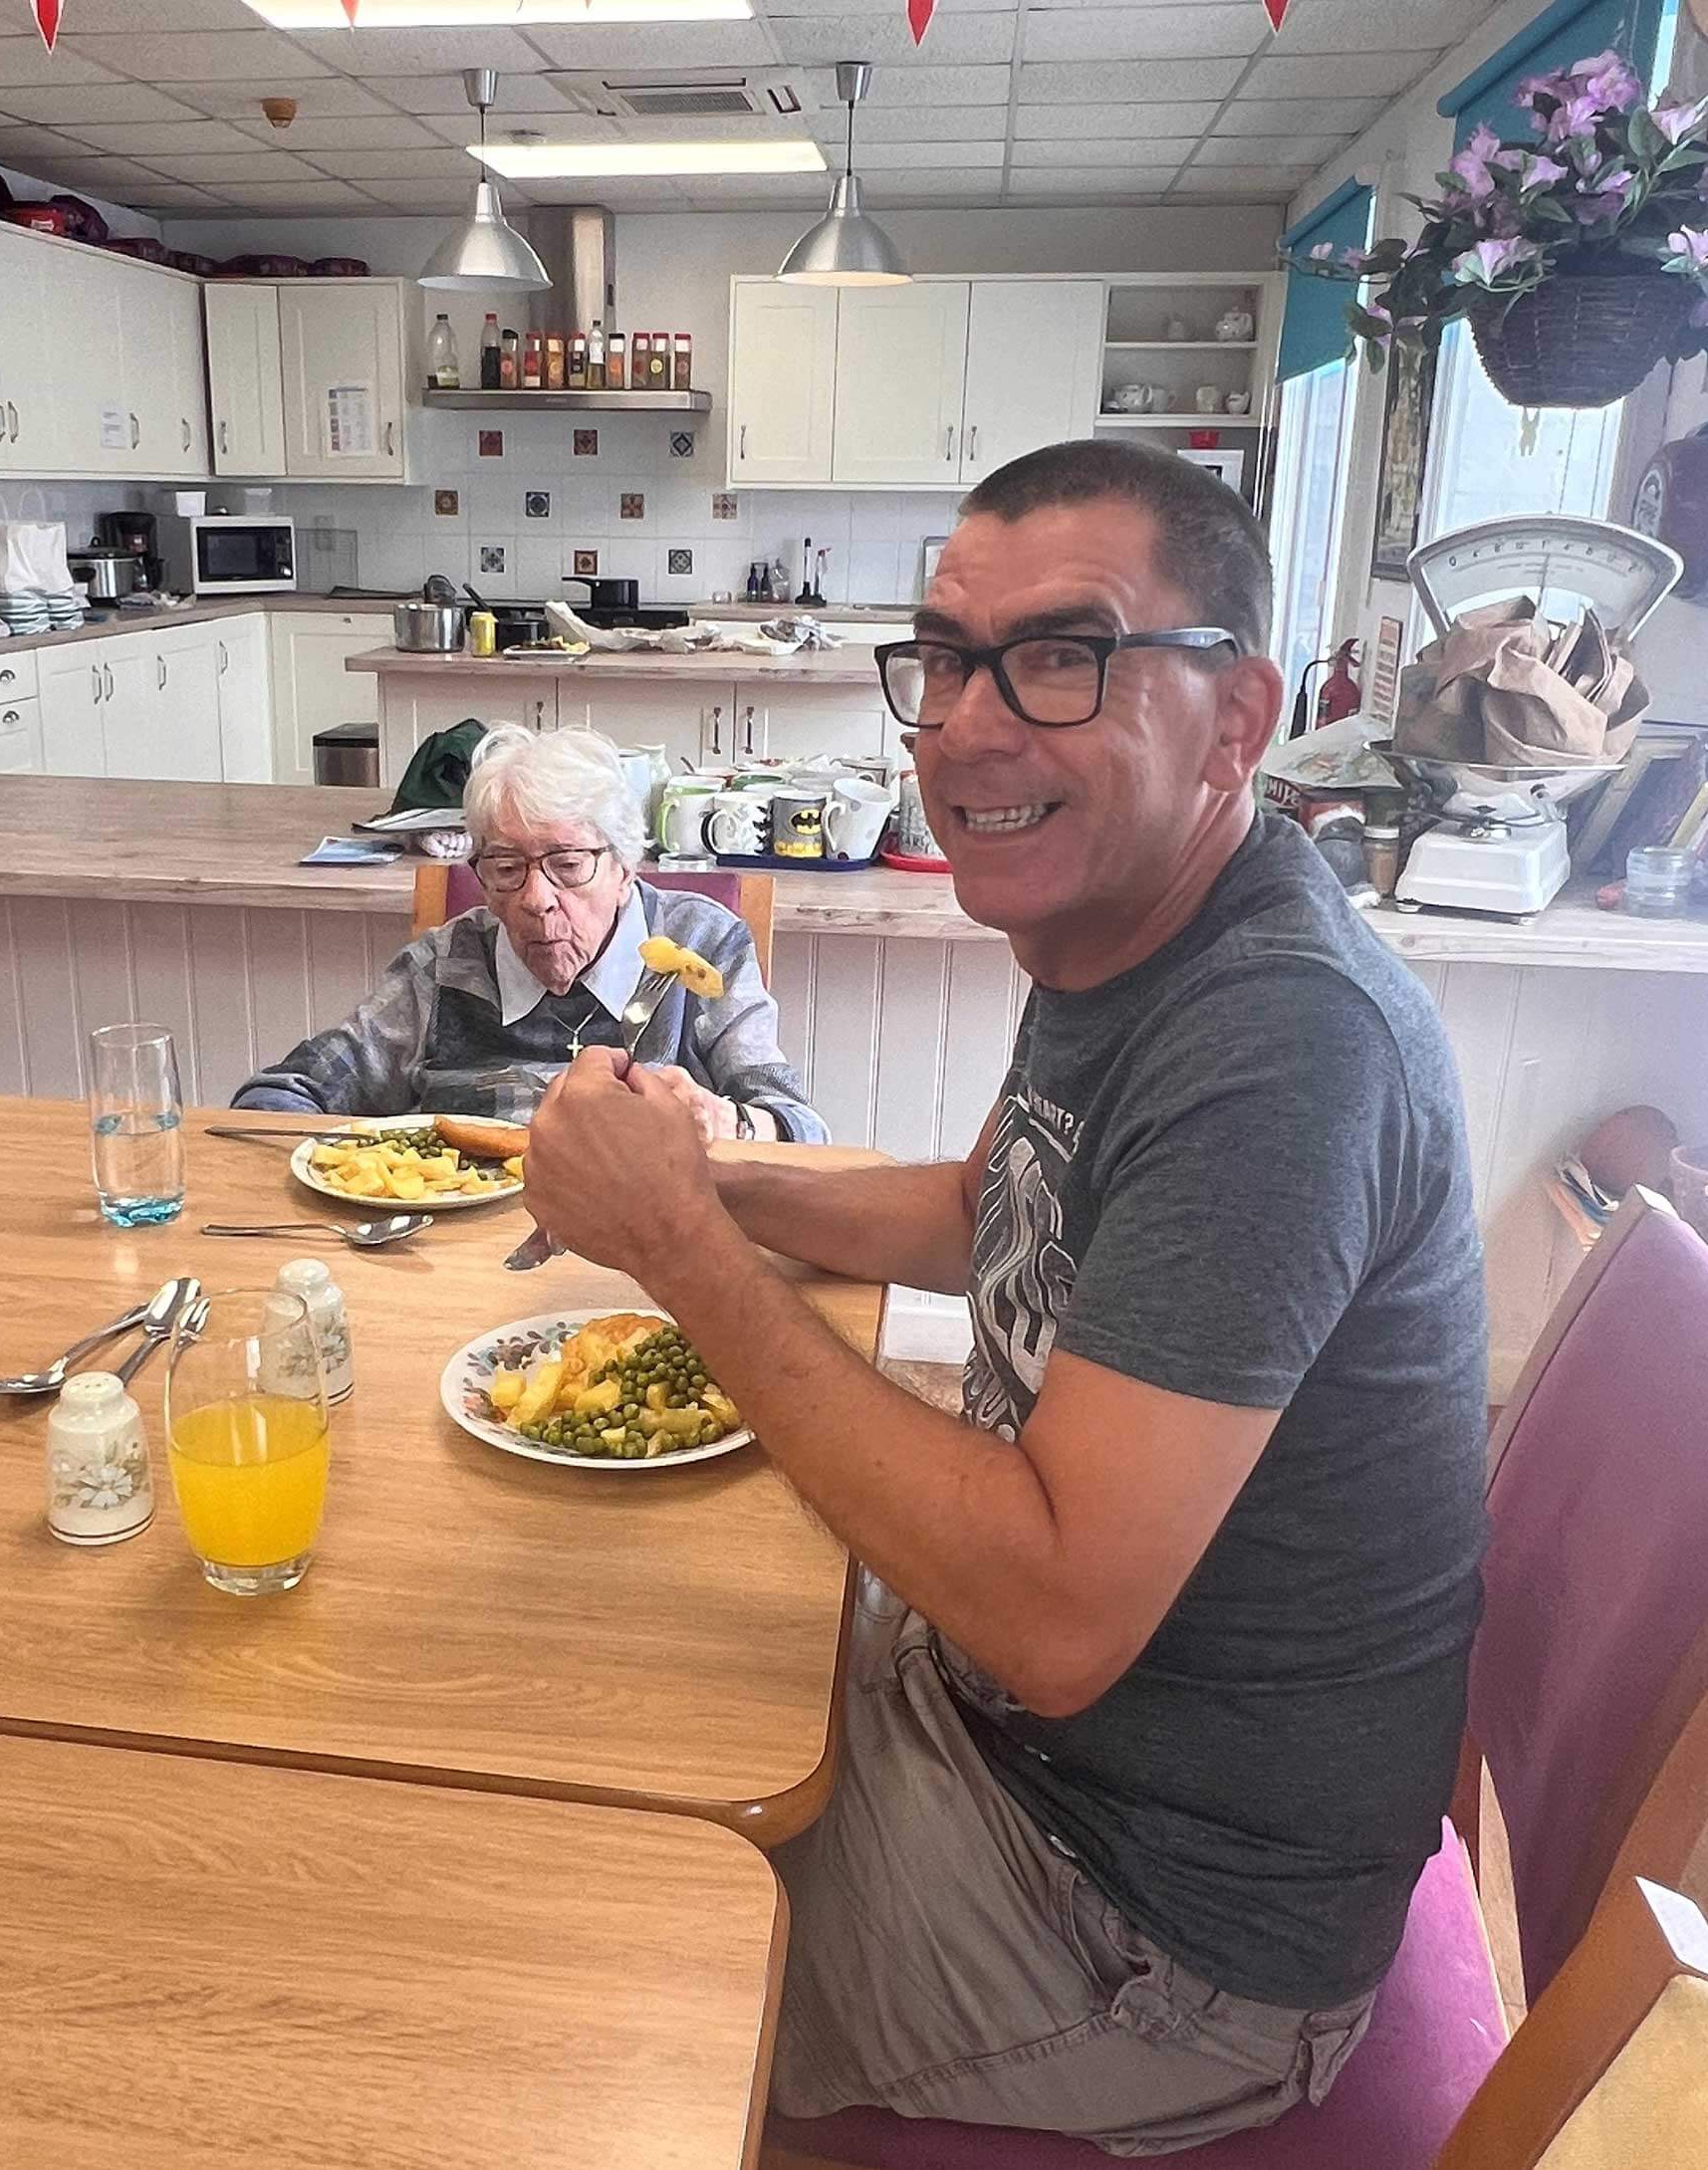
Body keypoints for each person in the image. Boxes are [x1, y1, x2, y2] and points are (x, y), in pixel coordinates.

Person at [520, 441, 1488, 2153]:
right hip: (1030, 1758)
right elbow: (991, 1208)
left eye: (1065, 656)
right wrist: (715, 1172)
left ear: (1238, 717)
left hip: (1151, 1923)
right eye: (948, 658)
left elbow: (1051, 1616)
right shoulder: (1126, 925)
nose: (969, 724)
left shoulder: (1284, 1040)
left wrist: (684, 1247)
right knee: (559, 1686)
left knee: (551, 1965)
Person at [234, 723, 825, 1143]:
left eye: (568, 865)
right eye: (508, 868)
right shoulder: (445, 965)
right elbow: (280, 1097)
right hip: (452, 1261)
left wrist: (733, 1124)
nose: (537, 901)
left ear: (624, 866)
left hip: (647, 1258)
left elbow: (801, 1128)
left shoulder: (701, 944)